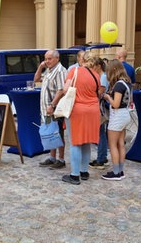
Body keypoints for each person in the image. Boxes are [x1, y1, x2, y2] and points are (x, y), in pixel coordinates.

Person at [61, 51, 100, 185]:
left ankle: (74, 175)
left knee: (75, 142)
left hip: (78, 109)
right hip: (93, 110)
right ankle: (84, 171)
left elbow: (66, 89)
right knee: (86, 142)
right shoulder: (96, 75)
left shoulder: (74, 71)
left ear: (82, 59)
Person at [34, 49, 67, 169]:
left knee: (58, 133)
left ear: (57, 58)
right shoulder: (49, 70)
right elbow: (36, 79)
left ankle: (61, 159)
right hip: (46, 109)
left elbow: (61, 90)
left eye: (49, 59)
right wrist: (40, 67)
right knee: (50, 132)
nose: (47, 61)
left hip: (55, 109)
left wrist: (52, 105)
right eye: (45, 58)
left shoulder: (60, 71)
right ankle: (52, 157)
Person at [101, 60, 132, 180]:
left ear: (113, 70)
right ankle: (120, 170)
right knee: (120, 144)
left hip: (117, 116)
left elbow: (116, 104)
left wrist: (108, 97)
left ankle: (115, 172)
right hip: (125, 115)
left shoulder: (118, 85)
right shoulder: (127, 83)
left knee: (112, 145)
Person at [89, 57, 109, 169]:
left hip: (100, 108)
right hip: (99, 107)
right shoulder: (102, 76)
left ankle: (101, 158)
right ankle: (103, 156)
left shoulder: (103, 77)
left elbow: (100, 92)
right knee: (101, 133)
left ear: (99, 66)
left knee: (100, 133)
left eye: (94, 66)